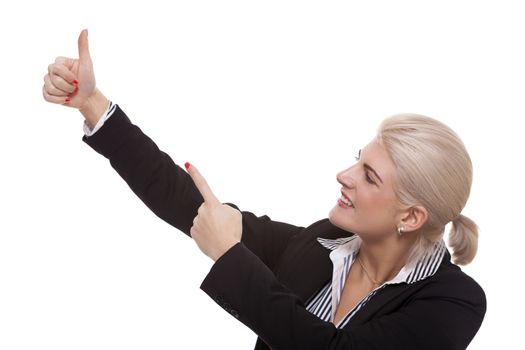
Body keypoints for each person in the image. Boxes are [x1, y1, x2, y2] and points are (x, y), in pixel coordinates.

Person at [42, 30, 486, 349]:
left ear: (411, 216)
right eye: (358, 159)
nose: (344, 175)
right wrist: (93, 104)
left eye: (369, 176)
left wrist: (231, 258)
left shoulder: (453, 302)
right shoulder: (318, 244)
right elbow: (184, 202)